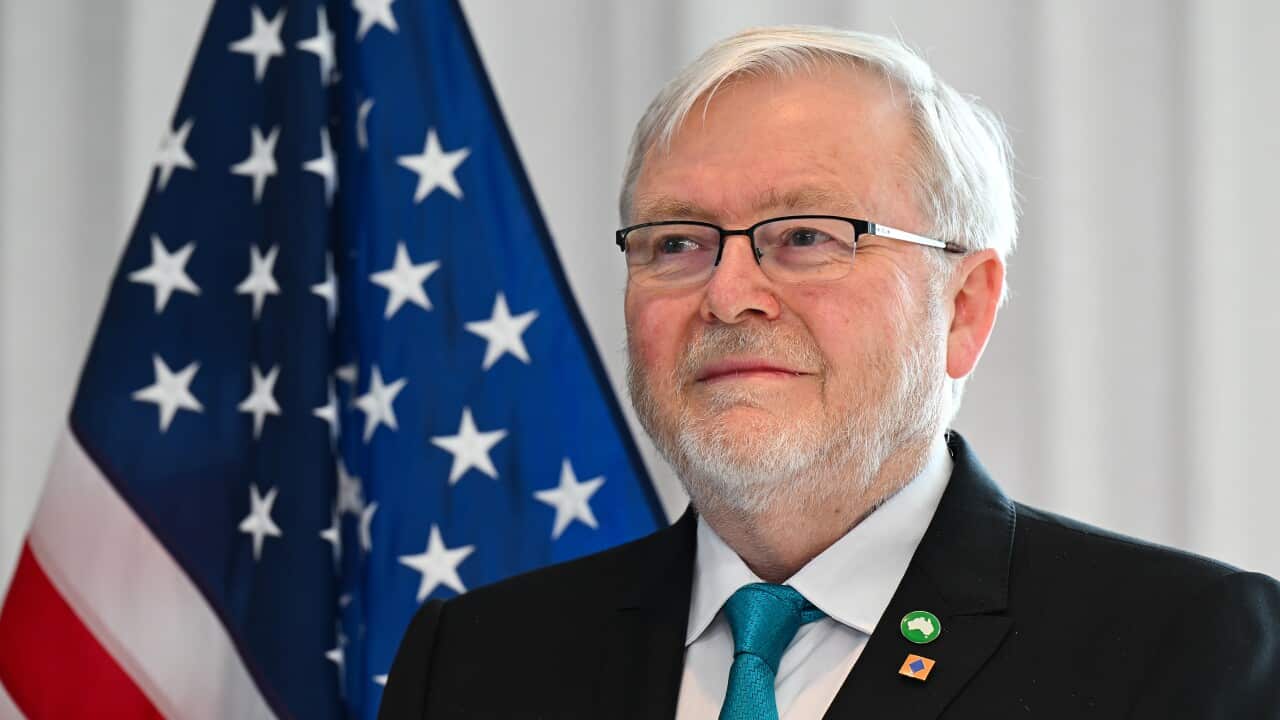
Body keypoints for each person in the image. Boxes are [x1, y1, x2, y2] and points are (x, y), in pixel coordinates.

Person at [379, 25, 1280, 719]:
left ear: (963, 307)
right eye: (678, 242)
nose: (730, 295)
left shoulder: (1188, 652)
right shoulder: (473, 660)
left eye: (807, 236)